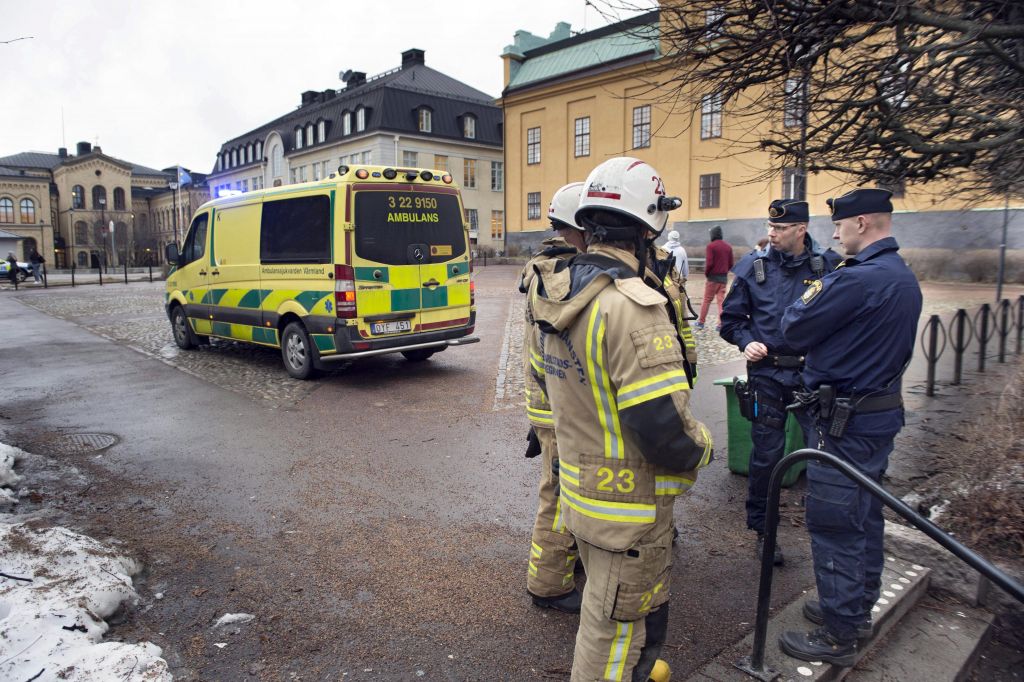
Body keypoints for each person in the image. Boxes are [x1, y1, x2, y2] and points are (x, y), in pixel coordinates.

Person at [529, 157, 712, 682]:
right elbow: (663, 427)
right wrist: (702, 447)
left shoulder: (558, 293)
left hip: (584, 493)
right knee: (616, 633)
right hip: (628, 509)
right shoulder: (632, 306)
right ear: (647, 229)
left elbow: (547, 380)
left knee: (600, 610)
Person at [777, 189, 922, 666]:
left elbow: (794, 326)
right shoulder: (901, 275)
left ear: (861, 223)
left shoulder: (856, 279)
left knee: (835, 521)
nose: (835, 234)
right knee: (865, 514)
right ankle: (855, 608)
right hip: (876, 416)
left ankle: (840, 635)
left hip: (843, 423)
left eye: (839, 225)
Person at [719, 200, 841, 565]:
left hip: (811, 376)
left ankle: (826, 532)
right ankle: (765, 531)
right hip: (767, 375)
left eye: (780, 228)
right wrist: (746, 341)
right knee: (767, 456)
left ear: (801, 229)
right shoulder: (752, 267)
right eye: (770, 227)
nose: (771, 234)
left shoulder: (828, 267)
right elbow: (730, 322)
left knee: (822, 454)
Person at [519, 182, 586, 614]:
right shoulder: (562, 274)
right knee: (559, 494)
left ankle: (566, 561)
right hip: (558, 410)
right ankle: (548, 585)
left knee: (561, 490)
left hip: (549, 406)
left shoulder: (549, 268)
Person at [696, 225, 732, 330]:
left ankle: (701, 322)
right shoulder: (728, 247)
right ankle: (720, 324)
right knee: (721, 302)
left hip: (712, 278)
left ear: (712, 234)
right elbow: (731, 264)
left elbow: (709, 263)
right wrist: (724, 271)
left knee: (707, 300)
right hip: (723, 278)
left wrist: (707, 274)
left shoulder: (711, 246)